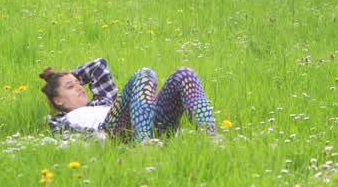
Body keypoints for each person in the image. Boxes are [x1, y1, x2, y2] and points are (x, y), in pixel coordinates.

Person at [40, 58, 218, 142]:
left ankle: (211, 137)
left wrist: (67, 76)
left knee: (185, 74)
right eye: (70, 87)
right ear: (58, 101)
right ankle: (145, 145)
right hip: (114, 128)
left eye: (79, 83)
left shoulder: (103, 100)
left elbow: (98, 66)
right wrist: (56, 80)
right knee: (145, 74)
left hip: (152, 118)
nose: (80, 87)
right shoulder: (60, 120)